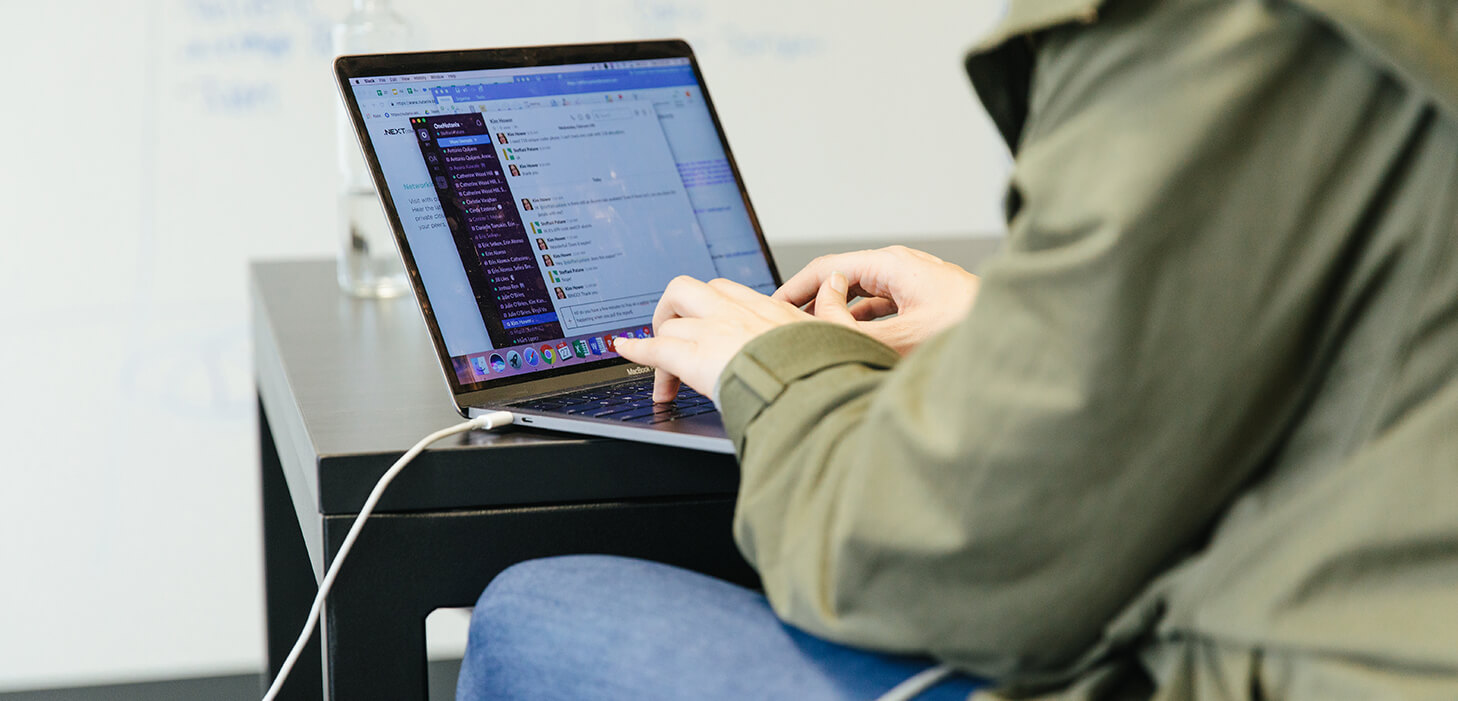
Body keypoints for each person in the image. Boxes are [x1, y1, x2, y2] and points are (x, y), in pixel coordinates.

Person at [459, 1, 1458, 699]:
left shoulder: (1221, 32)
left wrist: (782, 365)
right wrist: (1015, 326)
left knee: (535, 610)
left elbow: (953, 561)